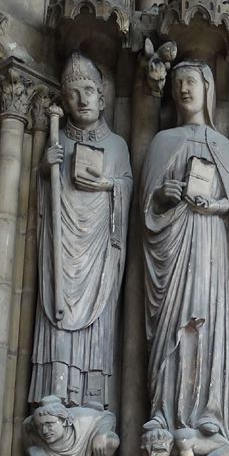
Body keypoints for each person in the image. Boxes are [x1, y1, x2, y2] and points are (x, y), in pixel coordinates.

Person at [140, 61, 229, 455]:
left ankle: (208, 413)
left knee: (207, 324)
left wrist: (215, 206)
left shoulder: (224, 147)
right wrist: (164, 195)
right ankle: (162, 411)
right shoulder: (163, 141)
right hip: (173, 247)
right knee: (172, 327)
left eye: (192, 81)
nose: (184, 89)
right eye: (178, 82)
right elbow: (145, 212)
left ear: (207, 88)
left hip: (211, 249)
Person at [29, 51, 132, 410]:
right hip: (62, 249)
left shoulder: (117, 146)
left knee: (98, 319)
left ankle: (89, 397)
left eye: (89, 90)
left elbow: (126, 191)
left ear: (102, 98)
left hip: (98, 255)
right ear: (64, 100)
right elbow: (34, 210)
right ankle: (55, 391)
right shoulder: (59, 144)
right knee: (55, 310)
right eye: (73, 92)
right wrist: (45, 171)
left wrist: (109, 185)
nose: (82, 99)